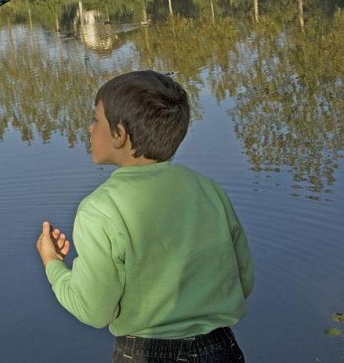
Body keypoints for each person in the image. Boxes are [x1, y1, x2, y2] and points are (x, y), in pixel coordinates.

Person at [35, 70, 254, 362]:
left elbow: (93, 310)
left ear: (119, 135)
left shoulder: (99, 209)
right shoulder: (209, 190)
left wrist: (53, 265)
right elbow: (244, 280)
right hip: (220, 349)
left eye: (96, 120)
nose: (89, 128)